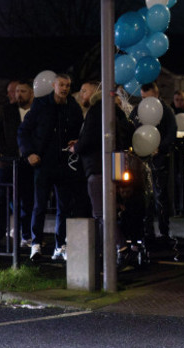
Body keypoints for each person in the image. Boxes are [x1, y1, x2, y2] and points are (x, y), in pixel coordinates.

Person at [17, 73, 91, 262]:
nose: (65, 88)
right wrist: (29, 153)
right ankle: (36, 244)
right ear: (53, 85)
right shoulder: (41, 104)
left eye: (67, 85)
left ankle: (60, 245)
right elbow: (24, 131)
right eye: (61, 85)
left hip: (64, 163)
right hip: (43, 163)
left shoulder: (72, 107)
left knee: (64, 206)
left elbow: (79, 130)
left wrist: (78, 141)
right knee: (39, 205)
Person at [70, 80, 133, 258]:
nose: (82, 96)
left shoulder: (96, 111)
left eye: (84, 92)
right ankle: (120, 247)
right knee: (113, 209)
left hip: (97, 167)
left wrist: (77, 147)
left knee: (100, 212)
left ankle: (120, 248)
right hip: (117, 165)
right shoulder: (117, 112)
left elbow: (90, 138)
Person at [129, 82, 177, 241]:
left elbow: (172, 133)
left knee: (160, 195)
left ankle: (164, 231)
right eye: (142, 98)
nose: (145, 102)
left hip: (159, 159)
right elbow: (131, 128)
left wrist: (160, 148)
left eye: (147, 98)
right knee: (143, 197)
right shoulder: (138, 110)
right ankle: (146, 230)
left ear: (156, 95)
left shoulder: (166, 111)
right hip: (140, 159)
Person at [0, 80, 34, 247]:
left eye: (22, 91)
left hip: (29, 162)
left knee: (27, 200)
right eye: (16, 92)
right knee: (2, 198)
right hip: (8, 162)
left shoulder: (36, 111)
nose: (18, 95)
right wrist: (5, 152)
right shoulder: (7, 111)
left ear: (30, 92)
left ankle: (26, 235)